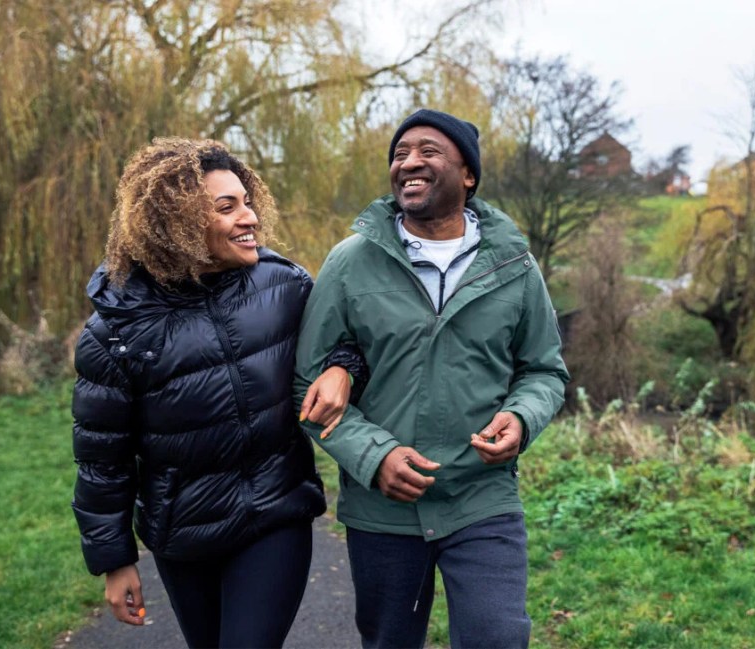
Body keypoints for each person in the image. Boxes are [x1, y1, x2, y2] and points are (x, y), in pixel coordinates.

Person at [71, 137, 367, 648]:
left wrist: (343, 366)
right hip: (183, 535)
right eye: (226, 207)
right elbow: (103, 458)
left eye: (247, 201)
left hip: (275, 515)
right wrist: (114, 560)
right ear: (176, 224)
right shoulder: (116, 328)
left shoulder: (284, 285)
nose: (249, 216)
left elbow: (350, 339)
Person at [294, 108, 570, 648]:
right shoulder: (350, 263)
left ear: (468, 174)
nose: (409, 163)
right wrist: (374, 459)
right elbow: (307, 380)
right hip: (383, 510)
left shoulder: (514, 265)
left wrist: (521, 417)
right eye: (400, 154)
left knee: (497, 637)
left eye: (427, 151)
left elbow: (544, 370)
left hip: (482, 497)